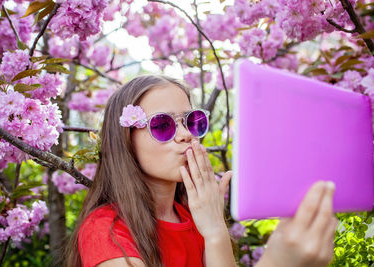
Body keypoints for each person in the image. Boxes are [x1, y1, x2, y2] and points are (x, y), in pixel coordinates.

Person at [64, 75, 338, 267]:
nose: (185, 135)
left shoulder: (196, 216)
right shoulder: (106, 229)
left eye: (192, 122)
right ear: (125, 141)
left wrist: (215, 229)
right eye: (162, 125)